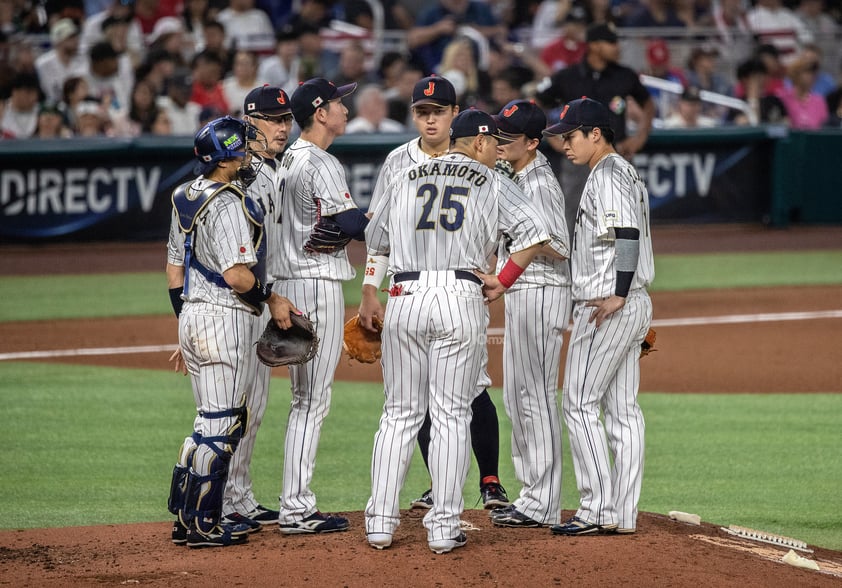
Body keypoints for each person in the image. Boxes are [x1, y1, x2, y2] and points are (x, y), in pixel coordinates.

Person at [364, 109, 549, 554]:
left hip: (404, 295)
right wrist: (502, 281)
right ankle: (444, 528)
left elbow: (376, 238)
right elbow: (536, 234)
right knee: (450, 413)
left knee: (399, 414)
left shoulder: (405, 173)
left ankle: (380, 524)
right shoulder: (492, 181)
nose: (496, 152)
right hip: (459, 296)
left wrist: (371, 290)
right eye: (494, 144)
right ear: (481, 143)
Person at [358, 76, 511, 513]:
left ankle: (490, 480)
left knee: (469, 389)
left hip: (461, 288)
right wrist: (370, 289)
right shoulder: (396, 160)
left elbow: (503, 225)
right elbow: (380, 237)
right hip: (421, 289)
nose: (429, 120)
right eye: (422, 112)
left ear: (453, 113)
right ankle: (440, 492)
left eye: (438, 112)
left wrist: (497, 273)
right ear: (412, 115)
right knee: (424, 399)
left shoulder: (479, 155)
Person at [165, 115, 300, 548]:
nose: (247, 153)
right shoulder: (227, 202)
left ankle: (185, 518)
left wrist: (184, 326)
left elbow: (174, 269)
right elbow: (237, 275)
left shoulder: (185, 194)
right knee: (224, 423)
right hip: (223, 318)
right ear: (226, 157)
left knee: (205, 422)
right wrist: (272, 299)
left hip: (192, 315)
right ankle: (205, 523)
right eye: (241, 147)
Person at [542, 97, 654, 536]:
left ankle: (597, 509)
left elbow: (626, 232)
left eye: (570, 136)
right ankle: (622, 512)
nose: (564, 144)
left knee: (579, 402)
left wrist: (621, 295)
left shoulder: (606, 176)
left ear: (595, 134)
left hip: (607, 303)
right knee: (623, 410)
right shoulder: (625, 170)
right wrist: (634, 297)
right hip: (630, 301)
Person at [273, 77, 369, 534]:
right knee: (313, 400)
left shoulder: (288, 156)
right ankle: (296, 507)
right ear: (319, 112)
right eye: (338, 103)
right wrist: (391, 215)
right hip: (315, 281)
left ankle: (291, 502)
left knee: (302, 399)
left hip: (290, 282)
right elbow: (348, 222)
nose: (345, 109)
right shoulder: (321, 161)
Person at [487, 99, 572, 529]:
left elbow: (559, 245)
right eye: (497, 136)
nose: (499, 143)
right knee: (518, 398)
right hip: (525, 292)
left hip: (542, 292)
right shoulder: (516, 174)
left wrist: (524, 244)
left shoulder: (538, 182)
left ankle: (543, 500)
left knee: (535, 397)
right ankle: (531, 495)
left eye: (508, 138)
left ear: (534, 142)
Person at [218, 84, 296, 530]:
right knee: (235, 404)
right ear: (250, 123)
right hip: (236, 302)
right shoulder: (239, 174)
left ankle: (240, 496)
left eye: (286, 119)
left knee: (256, 404)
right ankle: (222, 499)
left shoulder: (271, 169)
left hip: (260, 299)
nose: (282, 127)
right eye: (273, 119)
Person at [535, 22, 655, 240]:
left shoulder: (625, 75)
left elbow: (648, 104)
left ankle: (625, 266)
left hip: (616, 154)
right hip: (578, 159)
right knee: (574, 213)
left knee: (626, 212)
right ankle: (571, 267)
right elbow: (536, 105)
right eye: (611, 42)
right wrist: (550, 138)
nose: (617, 47)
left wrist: (640, 137)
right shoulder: (567, 76)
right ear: (594, 46)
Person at [35, 18, 86, 104]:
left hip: (82, 104)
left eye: (76, 37)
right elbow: (49, 92)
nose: (76, 41)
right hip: (56, 106)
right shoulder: (43, 63)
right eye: (70, 38)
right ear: (58, 41)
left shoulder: (83, 58)